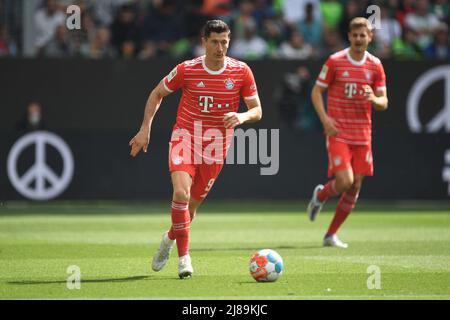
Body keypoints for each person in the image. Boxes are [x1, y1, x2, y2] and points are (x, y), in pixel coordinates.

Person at [129, 20, 262, 278]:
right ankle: (184, 259)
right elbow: (157, 93)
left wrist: (242, 117)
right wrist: (145, 128)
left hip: (216, 147)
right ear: (204, 42)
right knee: (181, 193)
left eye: (224, 42)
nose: (220, 47)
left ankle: (169, 240)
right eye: (214, 42)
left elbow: (257, 109)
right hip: (185, 138)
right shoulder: (187, 69)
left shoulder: (241, 71)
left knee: (189, 209)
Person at [307, 17, 388, 248]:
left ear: (370, 37)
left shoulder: (375, 65)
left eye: (364, 35)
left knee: (354, 186)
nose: (359, 39)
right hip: (338, 131)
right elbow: (316, 92)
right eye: (355, 35)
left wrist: (374, 98)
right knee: (345, 181)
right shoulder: (335, 61)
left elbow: (384, 102)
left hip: (363, 135)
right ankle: (321, 195)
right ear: (349, 36)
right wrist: (325, 120)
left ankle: (330, 235)